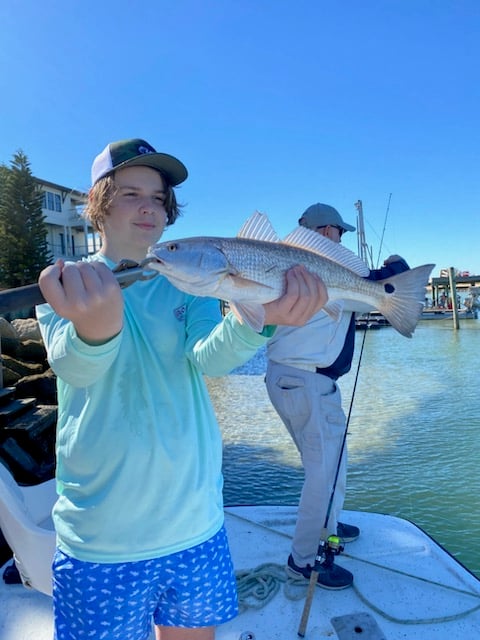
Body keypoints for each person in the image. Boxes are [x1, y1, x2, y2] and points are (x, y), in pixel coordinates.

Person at [36, 139, 328, 640]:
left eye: (157, 195)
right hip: (101, 535)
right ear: (98, 206)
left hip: (194, 524)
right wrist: (97, 329)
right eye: (129, 193)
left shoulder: (190, 284)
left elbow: (209, 359)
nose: (148, 205)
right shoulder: (68, 286)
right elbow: (75, 369)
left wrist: (261, 321)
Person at [265, 202, 409, 590]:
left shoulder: (293, 265)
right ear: (324, 231)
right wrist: (396, 267)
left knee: (331, 464)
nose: (341, 239)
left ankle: (328, 523)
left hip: (296, 380)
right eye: (339, 233)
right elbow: (372, 289)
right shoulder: (313, 268)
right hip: (305, 381)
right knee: (323, 473)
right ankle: (303, 561)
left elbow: (361, 290)